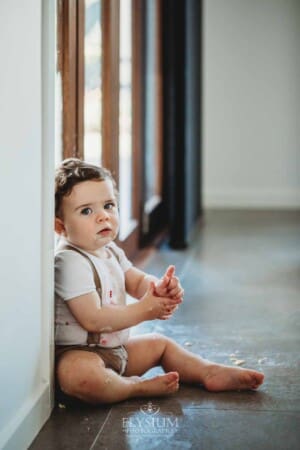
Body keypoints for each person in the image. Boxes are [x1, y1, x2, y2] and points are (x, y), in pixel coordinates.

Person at [54, 158, 264, 405]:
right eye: (87, 211)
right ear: (61, 227)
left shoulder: (110, 251)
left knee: (160, 344)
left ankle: (208, 371)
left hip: (116, 351)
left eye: (109, 205)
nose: (103, 217)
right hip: (80, 355)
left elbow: (136, 281)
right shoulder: (69, 262)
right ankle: (134, 388)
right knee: (79, 377)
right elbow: (93, 319)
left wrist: (158, 289)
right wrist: (144, 311)